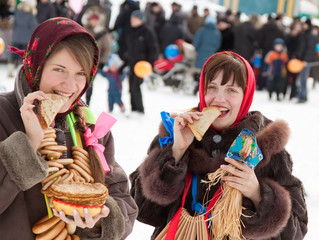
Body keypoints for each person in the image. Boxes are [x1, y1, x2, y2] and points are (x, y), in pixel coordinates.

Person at [130, 51, 308, 239]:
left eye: (231, 90)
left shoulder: (266, 148)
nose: (219, 99)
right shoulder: (176, 133)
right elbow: (141, 209)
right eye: (212, 87)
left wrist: (257, 193)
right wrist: (177, 151)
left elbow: (295, 231)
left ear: (246, 95)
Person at [0, 17, 138, 239]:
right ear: (36, 65)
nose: (71, 85)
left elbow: (123, 200)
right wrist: (28, 145)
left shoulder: (89, 124)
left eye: (81, 73)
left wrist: (101, 219)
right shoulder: (3, 114)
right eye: (59, 69)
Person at [126, 9, 159, 114]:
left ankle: (139, 110)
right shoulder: (130, 31)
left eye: (135, 18)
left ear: (141, 20)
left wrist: (149, 63)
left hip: (142, 64)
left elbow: (154, 49)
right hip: (132, 62)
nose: (132, 20)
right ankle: (133, 108)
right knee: (131, 86)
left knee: (136, 86)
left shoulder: (147, 32)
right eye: (131, 18)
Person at [83, 11, 112, 106]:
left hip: (96, 62)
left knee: (90, 83)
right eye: (92, 20)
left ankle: (88, 102)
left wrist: (103, 62)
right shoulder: (85, 30)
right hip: (84, 60)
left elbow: (107, 48)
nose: (93, 22)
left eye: (95, 20)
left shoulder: (103, 32)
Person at [7, 0, 38, 78]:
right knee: (23, 56)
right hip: (26, 38)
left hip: (16, 37)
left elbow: (14, 26)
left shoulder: (17, 13)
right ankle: (19, 72)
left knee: (13, 55)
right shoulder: (30, 15)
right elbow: (34, 27)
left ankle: (10, 70)